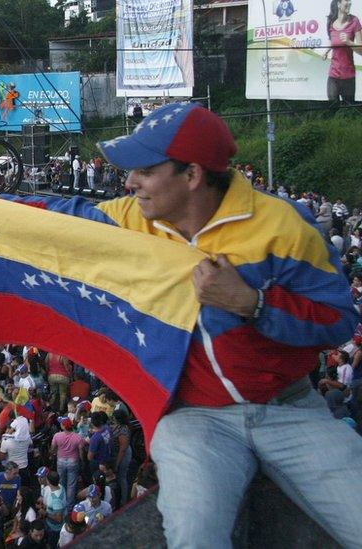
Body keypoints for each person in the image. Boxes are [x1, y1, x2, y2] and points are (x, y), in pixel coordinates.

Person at [33, 102, 362, 546]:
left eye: (144, 170)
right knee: (196, 535)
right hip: (194, 419)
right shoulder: (131, 218)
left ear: (191, 175)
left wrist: (253, 303)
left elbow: (339, 319)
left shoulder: (283, 225)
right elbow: (56, 217)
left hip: (290, 409)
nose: (130, 182)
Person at [325, 0, 362, 104]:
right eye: (347, 0)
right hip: (333, 75)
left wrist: (349, 42)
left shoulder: (355, 21)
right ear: (339, 4)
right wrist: (326, 51)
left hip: (348, 76)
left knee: (348, 111)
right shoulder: (330, 23)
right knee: (332, 109)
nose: (349, 3)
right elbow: (332, 42)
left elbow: (361, 51)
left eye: (350, 1)